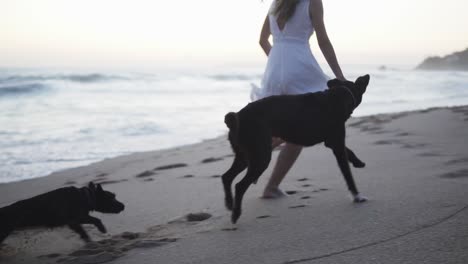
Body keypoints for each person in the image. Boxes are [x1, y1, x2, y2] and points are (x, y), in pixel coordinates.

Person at [251, 0, 346, 198]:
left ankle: (255, 153)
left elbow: (262, 40)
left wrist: (278, 62)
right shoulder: (312, 2)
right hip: (301, 69)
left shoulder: (275, 4)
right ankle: (270, 187)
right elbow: (323, 40)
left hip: (274, 71)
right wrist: (339, 76)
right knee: (301, 131)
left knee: (283, 127)